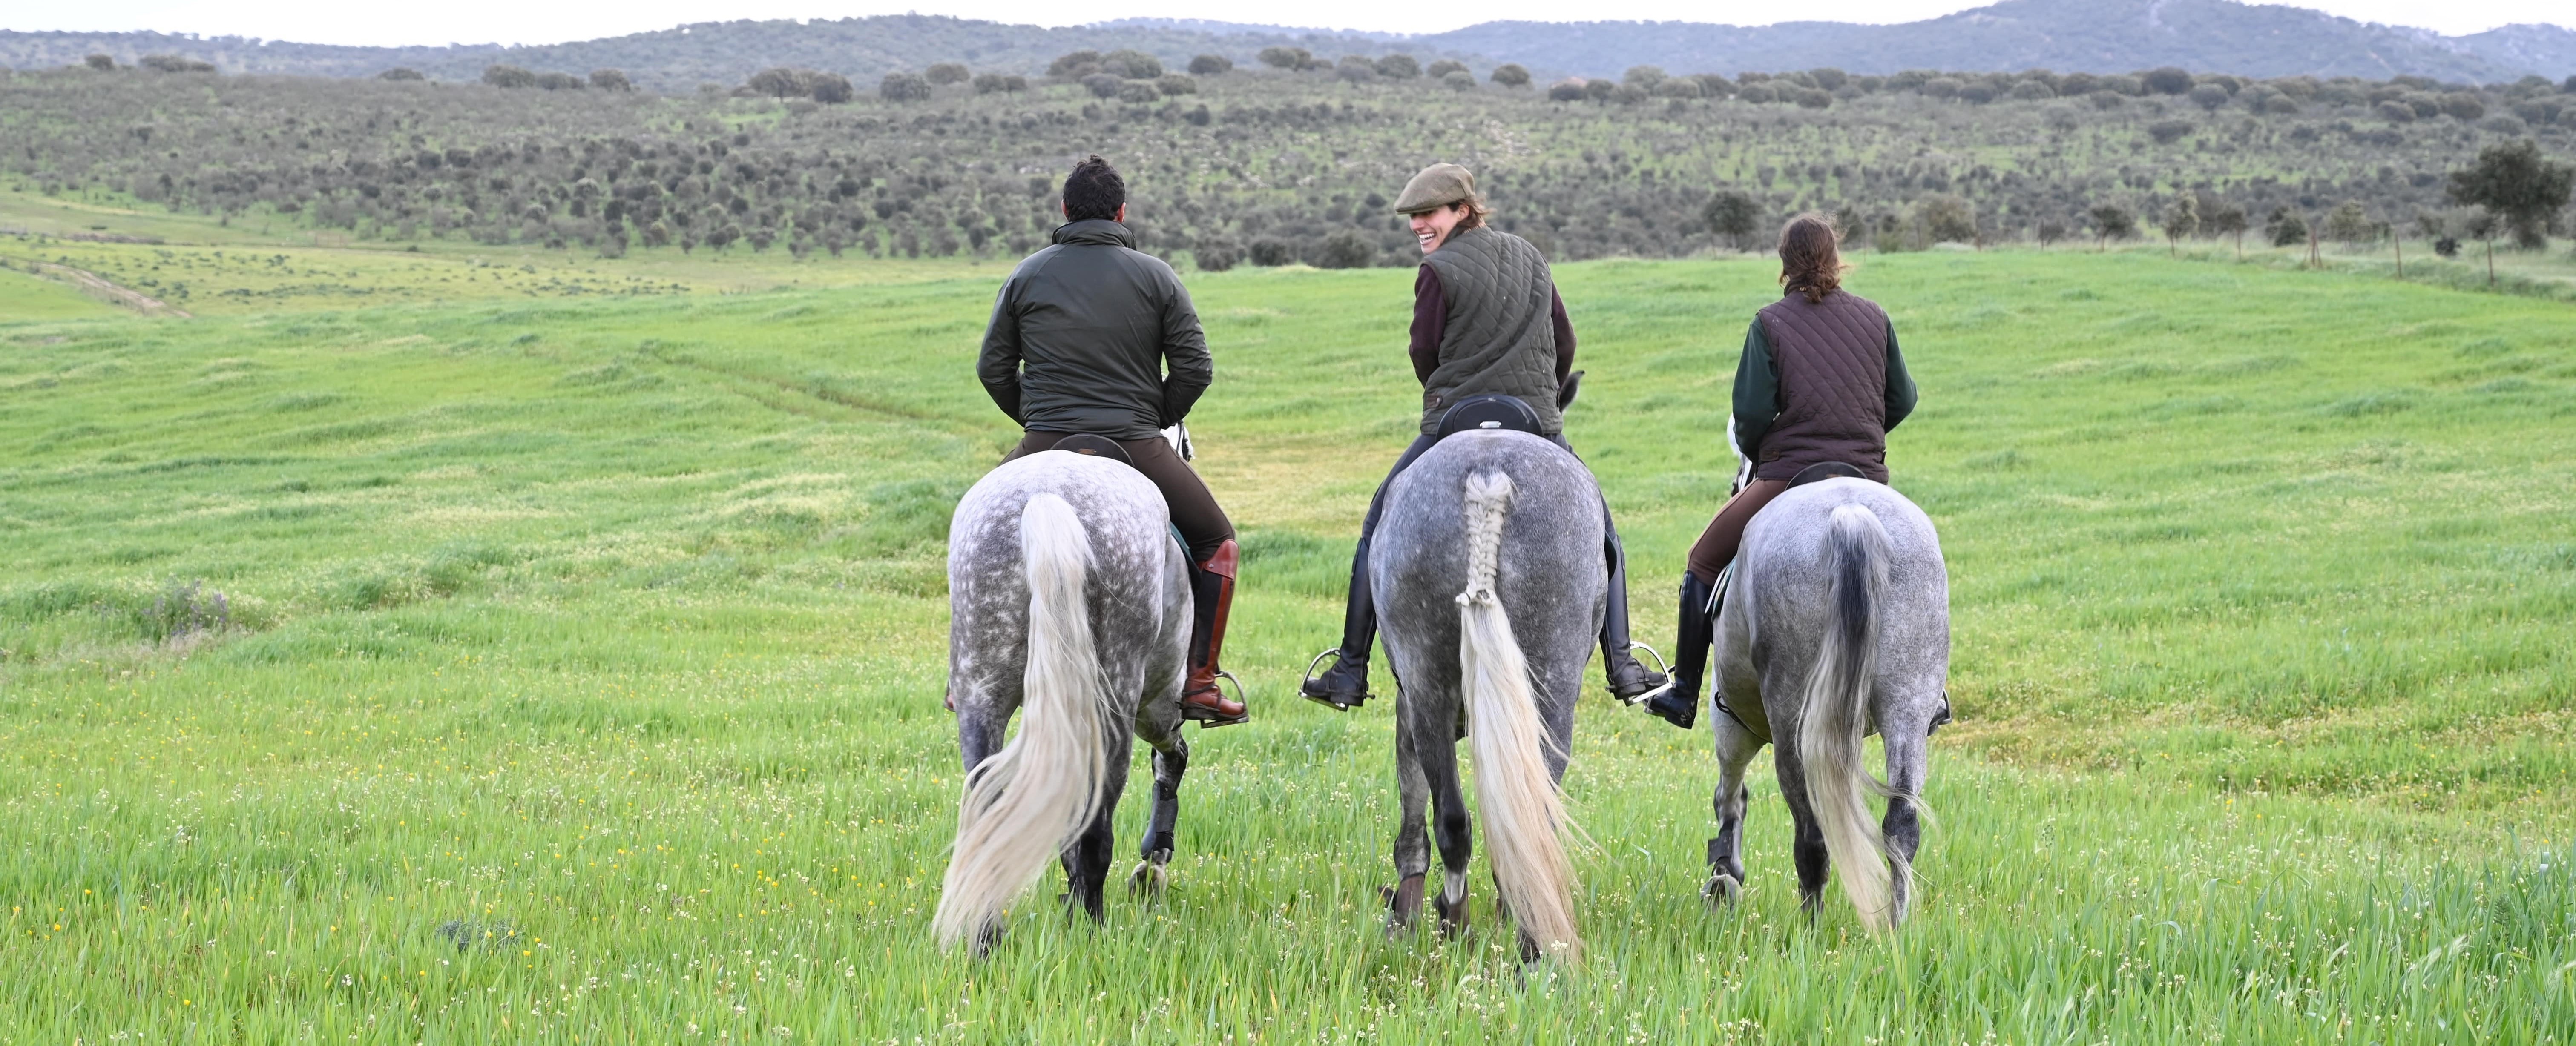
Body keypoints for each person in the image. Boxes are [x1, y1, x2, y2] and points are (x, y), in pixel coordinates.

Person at [1300, 162, 1667, 709]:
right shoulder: (1532, 257)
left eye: (1428, 213)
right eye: (1413, 216)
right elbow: (1565, 341)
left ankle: (1350, 669)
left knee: (1377, 524)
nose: (1418, 225)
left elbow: (1423, 352)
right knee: (1602, 529)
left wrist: (1448, 394)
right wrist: (1543, 395)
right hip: (1534, 421)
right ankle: (1624, 663)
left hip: (1455, 421)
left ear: (1463, 210)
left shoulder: (1437, 271)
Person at [976, 155, 1246, 726]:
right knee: (1218, 542)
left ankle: (973, 673)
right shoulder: (1157, 276)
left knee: (975, 529)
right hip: (1135, 441)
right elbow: (1195, 369)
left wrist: (1037, 418)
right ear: (1122, 212)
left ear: (1065, 210)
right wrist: (1153, 416)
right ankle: (1201, 681)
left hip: (1045, 439)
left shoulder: (1027, 274)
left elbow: (992, 369)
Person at [1639, 213, 1918, 729]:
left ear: (1785, 262)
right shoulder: (1875, 318)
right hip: (1864, 477)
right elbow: (1903, 399)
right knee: (1914, 566)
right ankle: (1930, 692)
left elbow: (1749, 415)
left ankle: (1684, 694)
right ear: (1835, 258)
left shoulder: (1770, 323)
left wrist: (1764, 454)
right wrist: (1861, 437)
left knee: (1702, 561)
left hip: (1787, 476)